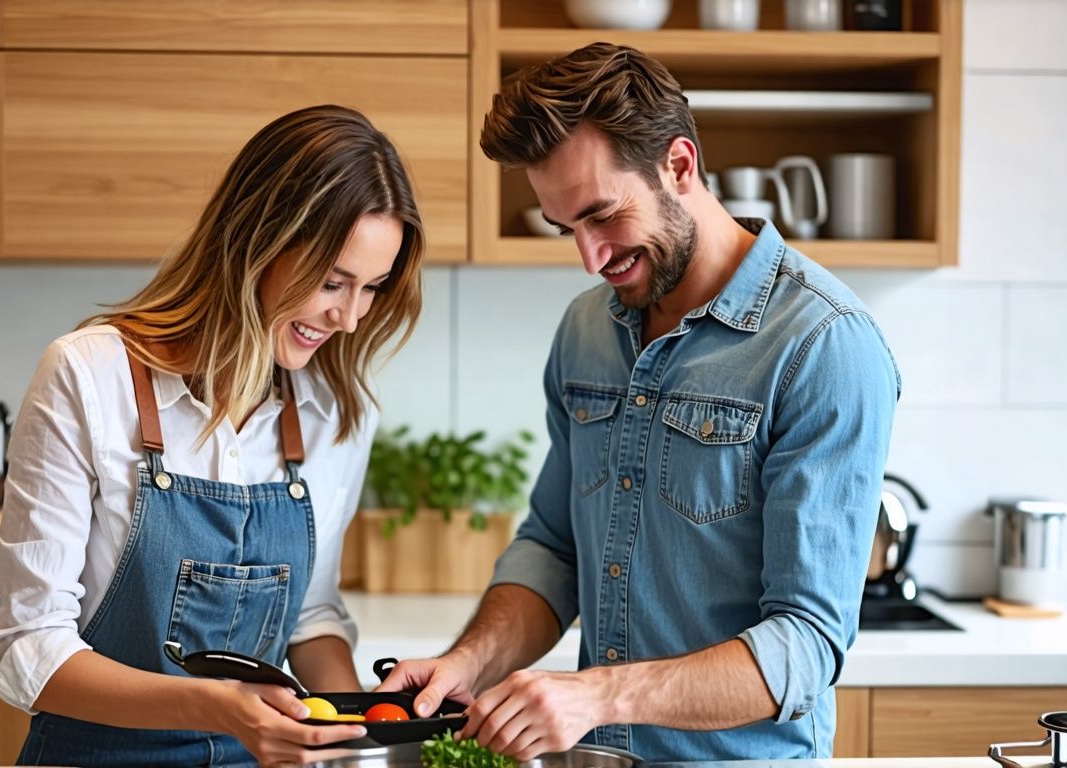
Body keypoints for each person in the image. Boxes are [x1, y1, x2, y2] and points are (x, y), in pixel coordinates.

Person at [376, 43, 900, 762]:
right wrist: (468, 663)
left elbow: (805, 646)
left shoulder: (823, 346)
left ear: (679, 166)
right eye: (566, 229)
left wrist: (600, 694)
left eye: (602, 215)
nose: (590, 258)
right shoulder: (587, 329)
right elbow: (554, 547)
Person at [0, 104, 425, 767]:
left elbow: (311, 618)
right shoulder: (89, 375)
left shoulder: (327, 412)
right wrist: (214, 705)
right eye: (332, 281)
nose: (349, 318)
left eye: (371, 289)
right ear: (257, 240)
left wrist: (366, 728)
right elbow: (30, 649)